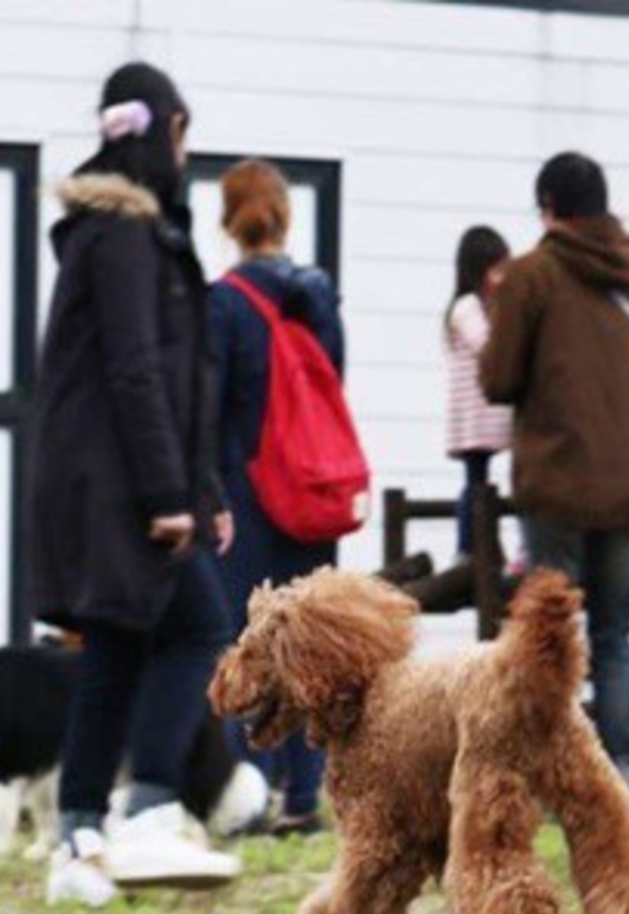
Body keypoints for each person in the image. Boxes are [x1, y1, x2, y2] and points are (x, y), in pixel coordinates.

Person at [28, 62, 240, 907]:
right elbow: (134, 370)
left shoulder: (130, 229)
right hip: (117, 485)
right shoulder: (123, 234)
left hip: (121, 478)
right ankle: (147, 804)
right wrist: (167, 495)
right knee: (199, 629)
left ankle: (80, 837)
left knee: (118, 650)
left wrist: (206, 487)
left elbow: (177, 379)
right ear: (171, 131)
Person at [481, 152, 629, 796]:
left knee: (547, 640)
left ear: (550, 207)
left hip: (556, 483)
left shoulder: (531, 276)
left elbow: (498, 378)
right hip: (626, 483)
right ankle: (628, 776)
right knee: (613, 634)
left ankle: (540, 777)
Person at [207, 158, 345, 838]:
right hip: (313, 488)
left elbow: (210, 405)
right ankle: (304, 795)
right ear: (287, 215)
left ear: (228, 222)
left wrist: (208, 489)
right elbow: (331, 380)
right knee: (308, 644)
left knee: (246, 642)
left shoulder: (224, 301)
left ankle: (246, 797)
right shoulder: (319, 292)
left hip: (246, 493)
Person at [444, 225, 513, 558]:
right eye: (498, 269)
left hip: (486, 415)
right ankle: (467, 547)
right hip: (476, 417)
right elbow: (487, 345)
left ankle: (487, 544)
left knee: (482, 484)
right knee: (476, 484)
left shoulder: (481, 306)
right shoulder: (467, 307)